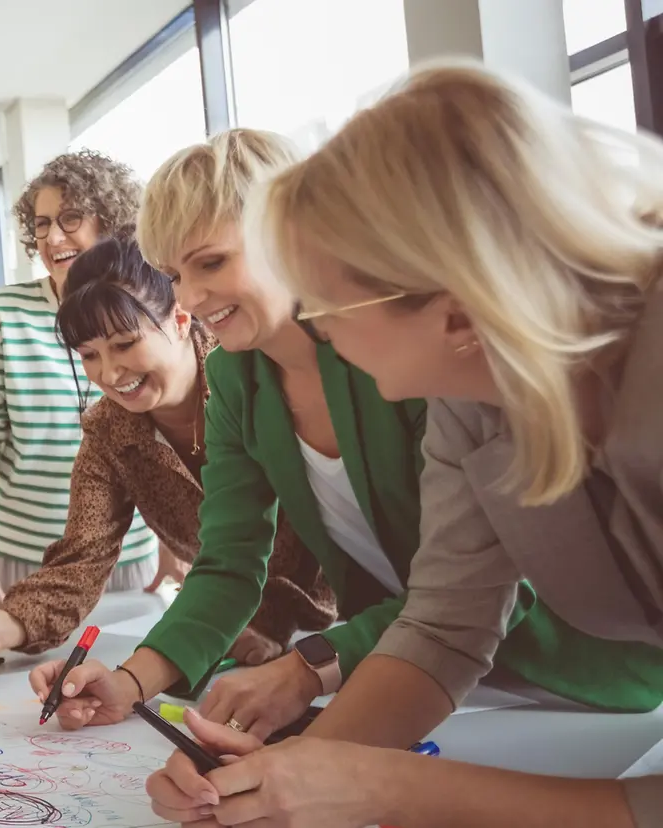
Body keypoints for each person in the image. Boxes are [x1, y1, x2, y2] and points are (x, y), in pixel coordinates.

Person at [147, 62, 663, 828]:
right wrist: (288, 775)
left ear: (456, 313)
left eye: (325, 300)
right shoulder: (471, 399)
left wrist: (386, 787)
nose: (316, 327)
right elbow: (447, 623)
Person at [26, 128, 663, 743]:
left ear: (290, 234)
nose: (192, 294)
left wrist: (312, 667)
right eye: (176, 275)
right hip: (419, 669)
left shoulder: (408, 352)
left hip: (574, 674)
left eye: (213, 262)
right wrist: (133, 680)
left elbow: (492, 573)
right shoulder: (236, 381)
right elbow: (227, 563)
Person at [0, 237, 335, 670]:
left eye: (124, 344)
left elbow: (322, 522)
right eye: (89, 355)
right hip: (235, 634)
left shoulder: (255, 375)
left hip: (355, 613)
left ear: (179, 318)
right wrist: (1, 626)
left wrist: (270, 619)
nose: (110, 374)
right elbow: (82, 557)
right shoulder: (107, 431)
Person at [0, 151, 159, 602]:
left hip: (127, 556)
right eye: (42, 223)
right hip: (23, 558)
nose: (52, 237)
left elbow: (165, 426)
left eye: (70, 218)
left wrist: (172, 542)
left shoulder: (146, 304)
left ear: (110, 222)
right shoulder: (2, 315)